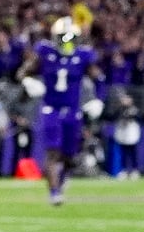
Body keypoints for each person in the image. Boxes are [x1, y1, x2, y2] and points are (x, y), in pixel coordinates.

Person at [21, 17, 100, 204]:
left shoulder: (83, 55)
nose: (67, 41)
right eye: (64, 37)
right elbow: (23, 72)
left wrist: (97, 100)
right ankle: (54, 192)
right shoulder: (45, 52)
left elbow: (99, 78)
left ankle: (61, 181)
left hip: (73, 110)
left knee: (70, 155)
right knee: (52, 152)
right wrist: (28, 81)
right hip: (51, 109)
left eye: (71, 37)